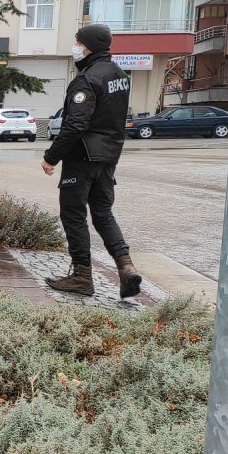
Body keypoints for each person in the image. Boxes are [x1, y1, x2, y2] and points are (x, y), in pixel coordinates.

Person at [41, 24, 143, 299]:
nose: (74, 44)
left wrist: (51, 157)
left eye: (77, 41)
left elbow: (75, 124)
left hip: (83, 157)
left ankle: (82, 276)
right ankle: (125, 267)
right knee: (103, 214)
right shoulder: (119, 75)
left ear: (88, 46)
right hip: (108, 157)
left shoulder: (87, 79)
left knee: (73, 214)